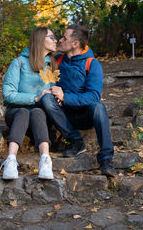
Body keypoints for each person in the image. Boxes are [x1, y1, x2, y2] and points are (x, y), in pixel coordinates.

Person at [39, 24, 115, 176]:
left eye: (64, 38)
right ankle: (76, 141)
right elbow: (42, 76)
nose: (60, 40)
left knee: (99, 107)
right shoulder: (57, 60)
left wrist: (65, 97)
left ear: (75, 44)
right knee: (47, 99)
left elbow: (93, 96)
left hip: (84, 115)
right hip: (63, 115)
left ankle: (106, 159)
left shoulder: (92, 64)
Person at [0, 27, 58, 180]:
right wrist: (35, 98)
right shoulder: (18, 62)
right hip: (16, 114)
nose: (55, 40)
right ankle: (11, 160)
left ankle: (45, 160)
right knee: (24, 112)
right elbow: (8, 94)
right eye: (51, 37)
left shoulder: (51, 66)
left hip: (40, 118)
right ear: (40, 40)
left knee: (37, 112)